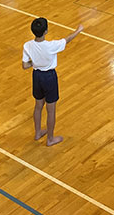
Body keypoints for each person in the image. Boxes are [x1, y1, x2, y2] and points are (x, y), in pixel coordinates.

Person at [22, 18, 84, 147]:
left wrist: (36, 61)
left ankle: (38, 132)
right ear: (46, 31)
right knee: (51, 110)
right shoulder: (51, 46)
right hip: (49, 77)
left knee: (38, 106)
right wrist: (78, 30)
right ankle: (50, 139)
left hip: (37, 76)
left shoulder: (27, 45)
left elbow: (25, 65)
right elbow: (67, 40)